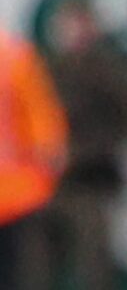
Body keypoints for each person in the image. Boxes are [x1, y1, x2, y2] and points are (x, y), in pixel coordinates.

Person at [36, 0, 127, 290]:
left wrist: (80, 151)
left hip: (90, 181)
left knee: (94, 267)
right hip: (46, 185)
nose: (76, 31)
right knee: (38, 268)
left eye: (82, 23)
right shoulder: (47, 68)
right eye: (70, 24)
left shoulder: (110, 69)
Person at [0, 26, 67, 289]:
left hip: (18, 194)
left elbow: (43, 124)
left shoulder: (14, 56)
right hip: (20, 191)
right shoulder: (15, 53)